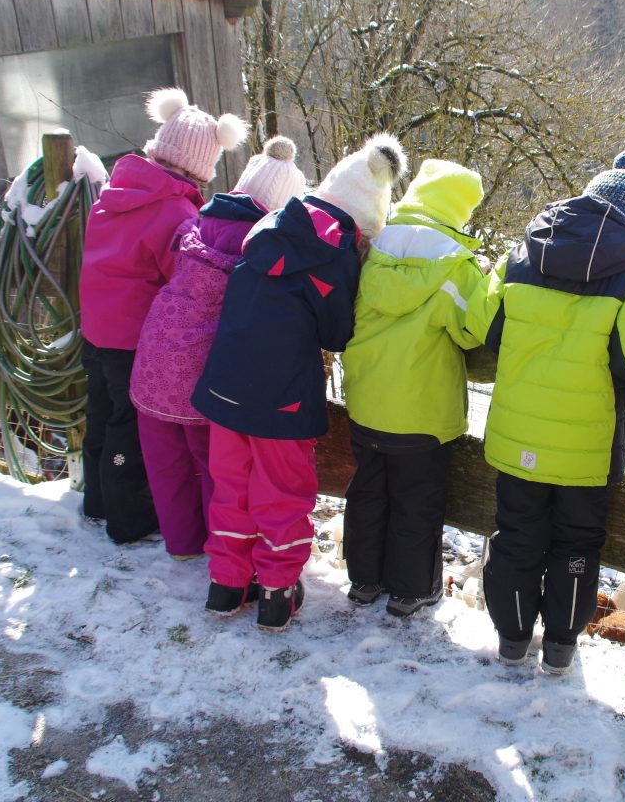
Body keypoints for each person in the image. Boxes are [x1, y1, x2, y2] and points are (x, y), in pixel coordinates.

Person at [192, 134, 407, 631]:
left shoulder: (269, 224)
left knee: (231, 487)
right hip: (282, 396)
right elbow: (336, 333)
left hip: (226, 382)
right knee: (281, 491)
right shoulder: (336, 254)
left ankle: (226, 585)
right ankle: (277, 590)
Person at [466, 151, 625, 675]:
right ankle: (559, 650)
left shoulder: (521, 257)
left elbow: (486, 327)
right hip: (585, 453)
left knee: (516, 537)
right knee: (576, 546)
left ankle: (511, 639)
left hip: (516, 436)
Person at [78, 88, 245, 544]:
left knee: (99, 414)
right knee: (128, 429)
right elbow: (185, 281)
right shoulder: (175, 210)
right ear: (200, 164)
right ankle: (128, 521)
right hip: (133, 338)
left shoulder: (116, 190)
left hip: (94, 328)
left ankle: (96, 500)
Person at [129, 136, 307, 559]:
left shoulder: (193, 224)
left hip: (155, 355)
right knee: (215, 465)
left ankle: (181, 543)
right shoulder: (262, 248)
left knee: (165, 461)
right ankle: (219, 546)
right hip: (203, 368)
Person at [340, 159, 487, 616]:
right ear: (460, 209)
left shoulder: (374, 244)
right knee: (416, 502)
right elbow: (471, 331)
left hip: (366, 400)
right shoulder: (454, 265)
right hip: (420, 412)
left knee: (368, 492)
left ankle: (364, 580)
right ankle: (411, 589)